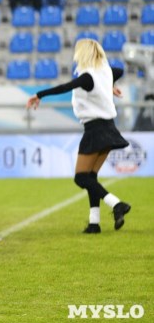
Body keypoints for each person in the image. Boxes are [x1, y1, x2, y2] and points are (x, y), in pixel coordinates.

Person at [25, 39, 131, 234]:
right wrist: (109, 85)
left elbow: (64, 87)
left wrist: (39, 95)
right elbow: (119, 71)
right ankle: (94, 223)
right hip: (109, 128)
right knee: (91, 177)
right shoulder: (105, 72)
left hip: (95, 130)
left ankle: (117, 204)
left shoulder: (87, 77)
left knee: (81, 178)